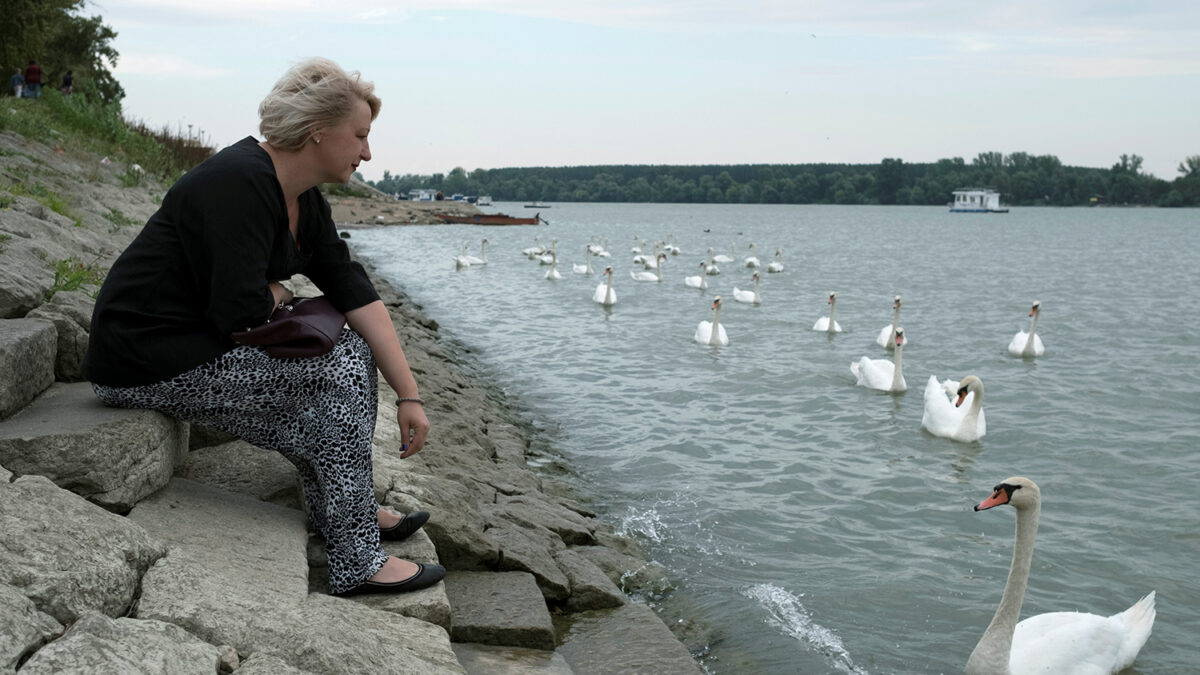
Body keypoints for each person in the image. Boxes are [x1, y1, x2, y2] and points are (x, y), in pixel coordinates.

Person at [84, 58, 442, 597]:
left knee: (347, 350)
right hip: (141, 357)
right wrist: (281, 291)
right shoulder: (238, 182)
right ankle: (358, 559)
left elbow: (355, 294)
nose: (367, 153)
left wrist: (409, 396)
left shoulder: (304, 201)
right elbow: (240, 313)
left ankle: (348, 512)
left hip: (196, 346)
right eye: (360, 137)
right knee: (335, 367)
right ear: (318, 131)